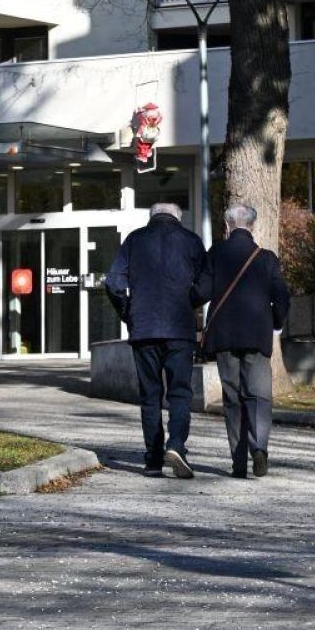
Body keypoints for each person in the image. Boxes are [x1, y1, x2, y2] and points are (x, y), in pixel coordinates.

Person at [105, 202, 207, 478]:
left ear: (152, 217)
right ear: (177, 217)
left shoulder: (135, 240)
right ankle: (176, 444)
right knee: (180, 392)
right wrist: (190, 302)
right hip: (179, 329)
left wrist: (128, 311)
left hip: (144, 328)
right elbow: (208, 283)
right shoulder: (191, 241)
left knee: (150, 396)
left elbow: (113, 283)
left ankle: (152, 459)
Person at [194, 202, 290, 479]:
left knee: (233, 398)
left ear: (227, 226)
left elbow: (201, 292)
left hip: (224, 335)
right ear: (252, 225)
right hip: (257, 334)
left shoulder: (216, 253)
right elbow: (282, 297)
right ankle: (258, 447)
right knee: (258, 395)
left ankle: (238, 463)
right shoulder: (266, 258)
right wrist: (276, 323)